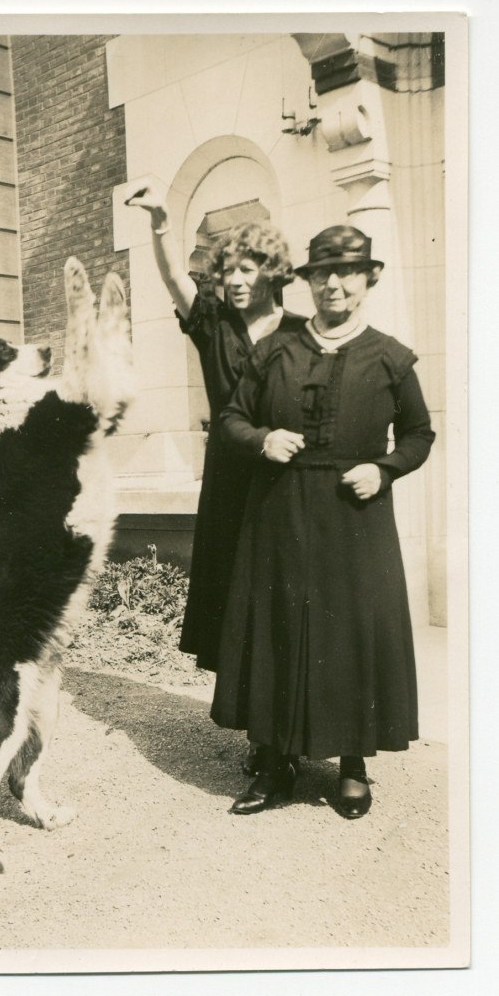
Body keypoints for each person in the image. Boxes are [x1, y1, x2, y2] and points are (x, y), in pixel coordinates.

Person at [213, 225, 435, 818]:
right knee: (278, 629)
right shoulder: (274, 352)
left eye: (347, 273)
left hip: (354, 516)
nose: (333, 284)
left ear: (369, 280)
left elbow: (419, 434)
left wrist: (385, 469)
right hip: (279, 511)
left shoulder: (390, 356)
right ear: (306, 281)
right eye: (321, 274)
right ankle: (273, 760)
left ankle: (353, 766)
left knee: (350, 633)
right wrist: (262, 439)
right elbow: (231, 417)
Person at [124, 181, 300, 771]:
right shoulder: (213, 325)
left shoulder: (301, 331)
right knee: (241, 606)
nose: (235, 279)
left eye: (248, 268)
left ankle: (296, 729)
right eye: (227, 270)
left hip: (286, 482)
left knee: (286, 604)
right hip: (230, 485)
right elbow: (175, 279)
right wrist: (159, 221)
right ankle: (262, 737)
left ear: (272, 270)